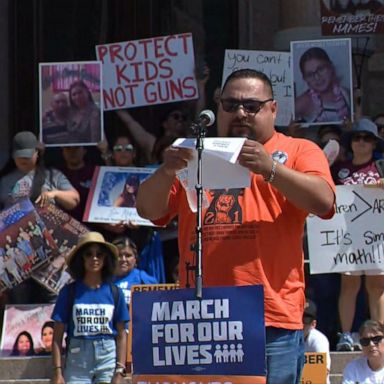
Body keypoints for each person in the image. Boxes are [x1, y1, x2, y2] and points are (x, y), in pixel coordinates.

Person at [136, 68, 336, 383]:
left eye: (252, 106)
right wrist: (166, 171)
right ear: (218, 109)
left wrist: (271, 169)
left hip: (270, 318)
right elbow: (148, 209)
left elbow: (324, 203)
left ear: (273, 109)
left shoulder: (299, 150)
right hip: (202, 317)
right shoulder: (194, 152)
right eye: (230, 106)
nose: (240, 113)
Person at [333, 118, 384, 351]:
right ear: (350, 142)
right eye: (357, 137)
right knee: (349, 286)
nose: (361, 142)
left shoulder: (381, 167)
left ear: (374, 143)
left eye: (367, 138)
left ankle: (379, 335)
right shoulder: (339, 168)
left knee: (376, 287)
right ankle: (346, 335)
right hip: (346, 237)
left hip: (376, 237)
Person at [51, 231, 129, 384]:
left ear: (106, 258)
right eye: (88, 254)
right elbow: (57, 336)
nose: (94, 258)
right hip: (77, 360)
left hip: (108, 358)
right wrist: (57, 372)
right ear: (81, 258)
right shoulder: (69, 292)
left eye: (99, 254)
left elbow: (121, 334)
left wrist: (120, 370)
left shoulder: (115, 292)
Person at [295, 47, 351, 124]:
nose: (317, 77)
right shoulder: (301, 103)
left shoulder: (346, 94)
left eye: (320, 69)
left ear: (330, 67)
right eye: (310, 74)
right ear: (305, 79)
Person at [112, 236, 158, 306]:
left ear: (135, 259)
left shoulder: (142, 278)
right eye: (119, 255)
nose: (123, 259)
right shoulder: (104, 279)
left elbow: (158, 298)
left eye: (128, 255)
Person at [303, 299, 331, 384]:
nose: (302, 324)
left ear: (313, 324)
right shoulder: (286, 338)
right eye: (298, 318)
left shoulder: (319, 340)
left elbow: (323, 371)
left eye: (305, 320)